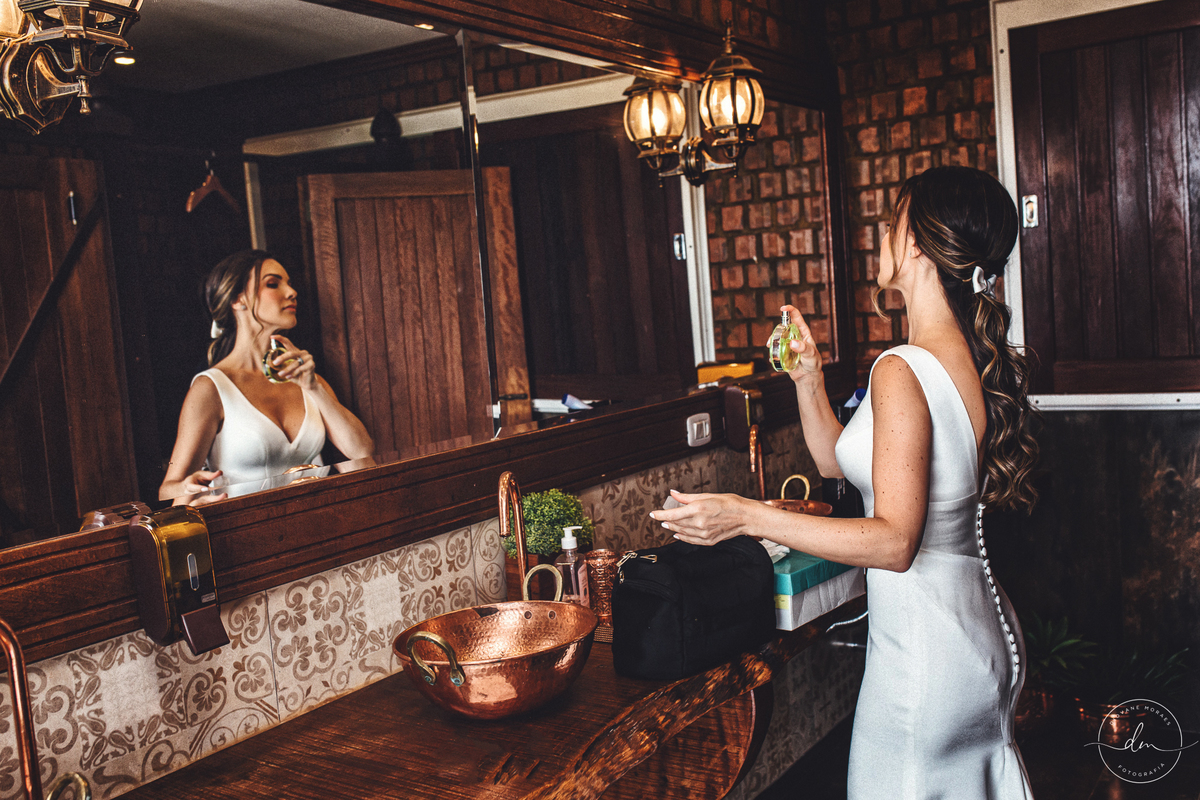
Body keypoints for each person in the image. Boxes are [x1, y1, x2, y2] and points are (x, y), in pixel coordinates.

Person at [653, 166, 1039, 798]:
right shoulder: (962, 355)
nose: (881, 238)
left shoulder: (901, 367)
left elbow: (895, 541)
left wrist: (746, 515)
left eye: (891, 224)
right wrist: (808, 378)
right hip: (977, 633)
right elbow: (841, 464)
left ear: (915, 243)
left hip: (925, 658)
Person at [160, 250, 373, 504]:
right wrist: (191, 493)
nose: (291, 292)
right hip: (246, 524)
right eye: (273, 284)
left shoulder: (305, 377)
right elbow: (168, 490)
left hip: (315, 517)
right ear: (237, 299)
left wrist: (314, 387)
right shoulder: (212, 387)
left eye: (289, 283)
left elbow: (362, 452)